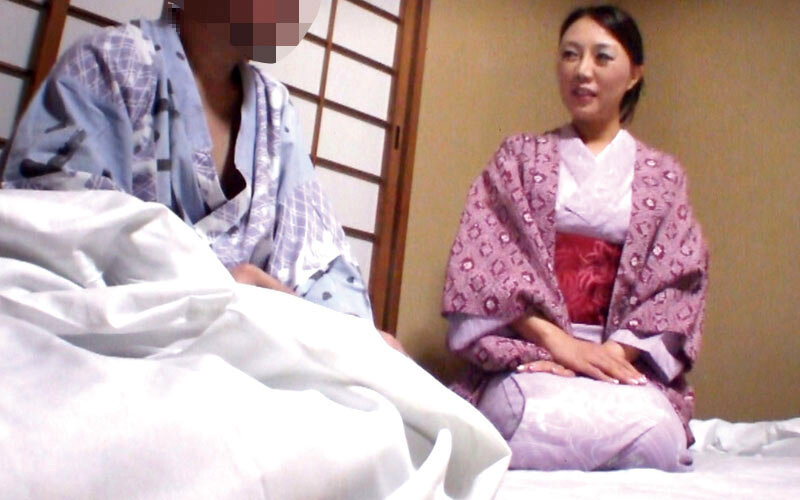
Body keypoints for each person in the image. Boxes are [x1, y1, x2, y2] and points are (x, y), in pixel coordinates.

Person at [0, 1, 405, 348]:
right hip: (116, 346)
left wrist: (354, 336)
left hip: (245, 359)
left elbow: (321, 261)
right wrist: (217, 289)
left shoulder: (275, 110)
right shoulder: (112, 62)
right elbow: (56, 235)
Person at [442, 5, 708, 471]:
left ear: (634, 74)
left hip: (620, 360)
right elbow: (483, 265)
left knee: (655, 438)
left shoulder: (663, 176)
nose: (582, 70)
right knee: (525, 425)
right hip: (532, 353)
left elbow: (676, 284)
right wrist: (560, 346)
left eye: (602, 57)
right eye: (570, 55)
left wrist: (606, 356)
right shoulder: (518, 158)